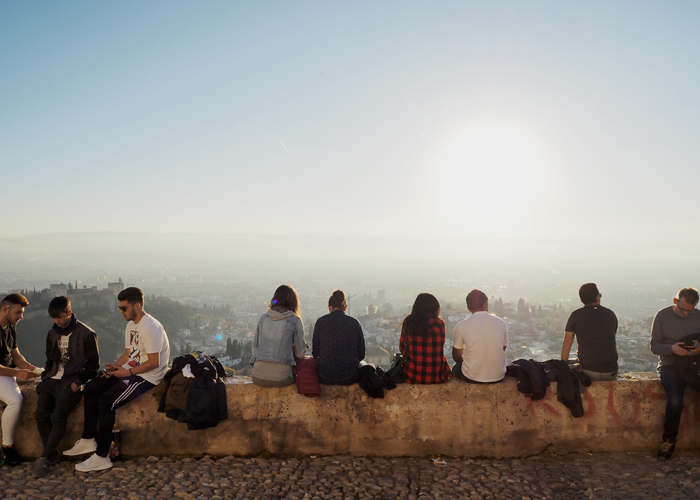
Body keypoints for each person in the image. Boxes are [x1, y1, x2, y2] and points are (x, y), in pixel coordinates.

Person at [65, 287, 170, 472]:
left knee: (107, 402)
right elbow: (129, 354)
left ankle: (102, 456)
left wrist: (127, 373)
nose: (121, 312)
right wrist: (114, 367)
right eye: (120, 308)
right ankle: (88, 440)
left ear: (137, 305)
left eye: (124, 308)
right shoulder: (131, 325)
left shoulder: (151, 327)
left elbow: (155, 362)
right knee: (91, 388)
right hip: (132, 369)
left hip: (147, 376)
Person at [33, 296, 100, 477]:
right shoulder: (52, 332)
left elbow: (94, 365)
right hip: (52, 380)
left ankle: (44, 458)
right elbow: (49, 359)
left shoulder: (86, 333)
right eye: (54, 318)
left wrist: (77, 383)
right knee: (40, 415)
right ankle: (51, 453)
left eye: (61, 317)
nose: (58, 321)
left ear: (69, 312)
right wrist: (45, 377)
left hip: (71, 382)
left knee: (58, 417)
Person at [650, 287, 700, 460]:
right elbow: (655, 346)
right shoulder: (662, 316)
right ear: (675, 301)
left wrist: (696, 351)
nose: (686, 314)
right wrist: (672, 348)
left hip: (695, 364)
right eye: (683, 309)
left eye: (690, 311)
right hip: (670, 365)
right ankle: (668, 441)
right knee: (675, 401)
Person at [0, 293, 39, 466]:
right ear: (4, 309)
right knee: (15, 400)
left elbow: (15, 354)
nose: (21, 317)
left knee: (43, 380)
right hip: (1, 374)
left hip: (9, 370)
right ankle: (7, 446)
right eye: (18, 312)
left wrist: (28, 367)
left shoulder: (10, 328)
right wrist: (17, 374)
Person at [250, 284, 307, 387]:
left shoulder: (263, 318)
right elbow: (300, 354)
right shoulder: (295, 320)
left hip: (257, 376)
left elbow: (254, 349)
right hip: (282, 377)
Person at [560, 283, 618, 380]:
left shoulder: (576, 316)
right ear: (597, 297)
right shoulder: (610, 314)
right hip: (611, 371)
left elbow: (567, 344)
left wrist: (562, 367)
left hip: (588, 371)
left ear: (581, 300)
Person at [452, 289, 508, 384]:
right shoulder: (501, 323)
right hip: (498, 376)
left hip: (471, 378)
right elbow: (502, 348)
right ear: (485, 304)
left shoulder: (461, 326)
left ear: (468, 308)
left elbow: (456, 357)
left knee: (456, 367)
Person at [312, 290, 365, 385]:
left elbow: (315, 352)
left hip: (325, 375)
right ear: (345, 307)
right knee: (364, 365)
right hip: (350, 376)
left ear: (329, 307)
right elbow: (361, 354)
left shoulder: (321, 322)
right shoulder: (354, 323)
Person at [399, 293, 451, 384]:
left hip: (412, 376)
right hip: (437, 376)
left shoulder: (409, 322)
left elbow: (402, 346)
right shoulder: (440, 324)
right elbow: (440, 347)